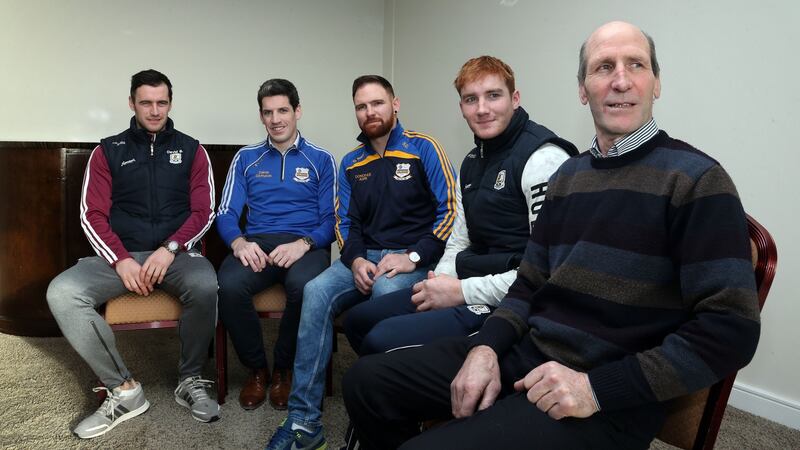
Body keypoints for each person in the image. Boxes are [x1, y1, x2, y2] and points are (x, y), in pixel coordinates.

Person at [342, 21, 761, 450]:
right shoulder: (570, 177)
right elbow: (530, 282)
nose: (619, 80)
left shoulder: (697, 180)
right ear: (583, 89)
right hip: (527, 354)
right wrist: (486, 348)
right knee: (365, 382)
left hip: (605, 396)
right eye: (602, 68)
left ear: (655, 83)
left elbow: (731, 330)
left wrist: (596, 389)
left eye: (635, 64)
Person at [264, 75, 457, 450]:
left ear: (395, 104)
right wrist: (353, 261)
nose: (370, 112)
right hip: (363, 257)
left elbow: (449, 211)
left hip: (411, 258)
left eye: (377, 103)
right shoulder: (352, 162)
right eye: (361, 106)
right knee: (315, 290)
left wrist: (412, 256)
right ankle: (305, 421)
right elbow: (344, 224)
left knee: (384, 293)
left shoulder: (424, 148)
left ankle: (379, 414)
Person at [343, 56, 578, 356]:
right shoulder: (472, 162)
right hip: (467, 279)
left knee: (381, 339)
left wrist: (459, 292)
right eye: (471, 99)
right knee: (358, 320)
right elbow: (459, 238)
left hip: (512, 301)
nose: (482, 109)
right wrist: (439, 281)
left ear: (515, 99)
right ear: (462, 108)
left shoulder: (543, 160)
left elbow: (547, 272)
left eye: (493, 95)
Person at [47, 69, 219, 439]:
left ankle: (190, 379)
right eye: (146, 102)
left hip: (177, 255)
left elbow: (203, 213)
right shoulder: (107, 150)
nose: (154, 110)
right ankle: (124, 390)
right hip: (120, 255)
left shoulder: (193, 150)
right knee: (62, 292)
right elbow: (91, 215)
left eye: (162, 102)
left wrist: (170, 249)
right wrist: (120, 259)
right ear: (131, 103)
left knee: (206, 284)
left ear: (170, 103)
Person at [215, 78, 335, 411]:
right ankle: (257, 369)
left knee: (305, 286)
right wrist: (238, 243)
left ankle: (284, 369)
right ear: (261, 116)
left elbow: (332, 221)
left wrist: (304, 244)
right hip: (257, 242)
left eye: (283, 110)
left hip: (305, 246)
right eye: (268, 112)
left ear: (297, 112)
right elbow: (226, 212)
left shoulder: (322, 159)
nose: (276, 119)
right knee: (228, 285)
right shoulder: (246, 158)